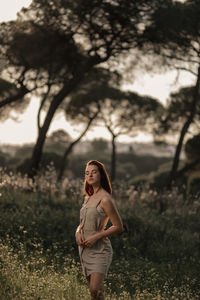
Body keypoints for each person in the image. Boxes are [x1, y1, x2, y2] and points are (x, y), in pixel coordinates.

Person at [75, 160, 123, 300]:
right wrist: (77, 233)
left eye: (94, 172)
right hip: (84, 249)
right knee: (94, 293)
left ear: (101, 175)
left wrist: (96, 237)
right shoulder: (87, 199)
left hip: (100, 250)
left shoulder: (105, 199)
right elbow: (81, 224)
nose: (90, 175)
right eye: (87, 173)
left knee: (95, 289)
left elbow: (118, 226)